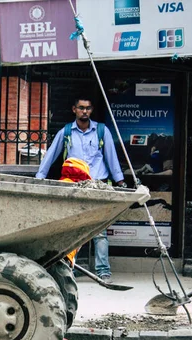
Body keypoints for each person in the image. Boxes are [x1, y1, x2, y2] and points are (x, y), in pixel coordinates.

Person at [36, 97, 126, 284]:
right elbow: (51, 154)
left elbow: (111, 156)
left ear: (91, 110)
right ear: (74, 109)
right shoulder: (66, 132)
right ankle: (70, 266)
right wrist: (39, 178)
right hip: (74, 186)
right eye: (81, 108)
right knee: (73, 228)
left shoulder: (101, 131)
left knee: (99, 230)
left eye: (88, 108)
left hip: (98, 184)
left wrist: (120, 181)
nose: (85, 111)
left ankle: (103, 271)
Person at [59, 157, 92, 340]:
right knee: (62, 294)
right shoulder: (76, 192)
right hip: (62, 253)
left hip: (62, 251)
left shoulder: (61, 186)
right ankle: (58, 333)